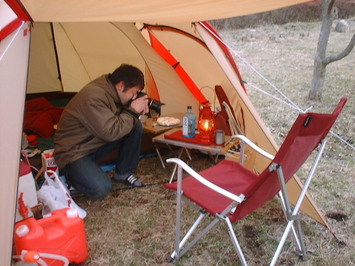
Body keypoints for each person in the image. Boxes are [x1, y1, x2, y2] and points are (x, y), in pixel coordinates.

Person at [54, 64, 149, 198]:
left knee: (134, 125)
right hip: (73, 152)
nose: (134, 97)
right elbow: (111, 132)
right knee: (101, 188)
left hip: (92, 143)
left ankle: (123, 173)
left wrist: (140, 108)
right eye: (133, 93)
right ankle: (70, 179)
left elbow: (119, 121)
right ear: (121, 85)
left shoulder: (112, 91)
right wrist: (132, 111)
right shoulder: (94, 96)